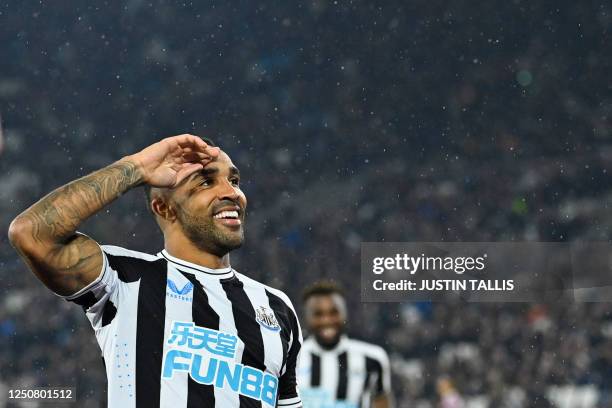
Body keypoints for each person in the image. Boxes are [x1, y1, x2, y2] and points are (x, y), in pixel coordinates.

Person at [8, 134, 303, 408]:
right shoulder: (124, 279)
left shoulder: (277, 307)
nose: (232, 193)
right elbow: (32, 233)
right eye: (205, 183)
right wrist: (137, 166)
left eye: (234, 180)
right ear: (164, 209)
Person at [298, 281, 392, 408]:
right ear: (307, 318)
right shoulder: (292, 358)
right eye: (318, 314)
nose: (327, 320)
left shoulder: (373, 358)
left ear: (344, 313)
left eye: (333, 312)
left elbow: (381, 401)